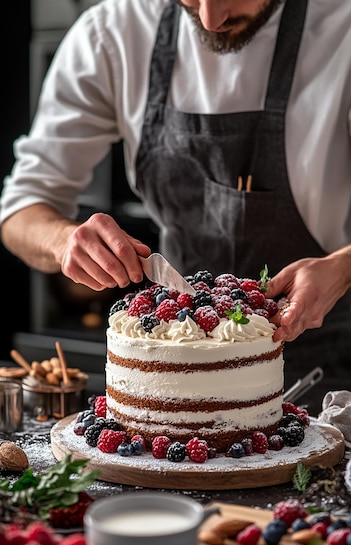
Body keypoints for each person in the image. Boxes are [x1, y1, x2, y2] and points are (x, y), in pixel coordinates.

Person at [1, 0, 351, 415]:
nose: (209, 19)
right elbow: (23, 208)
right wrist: (63, 242)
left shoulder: (342, 29)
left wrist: (342, 268)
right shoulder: (113, 33)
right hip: (175, 363)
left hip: (335, 372)